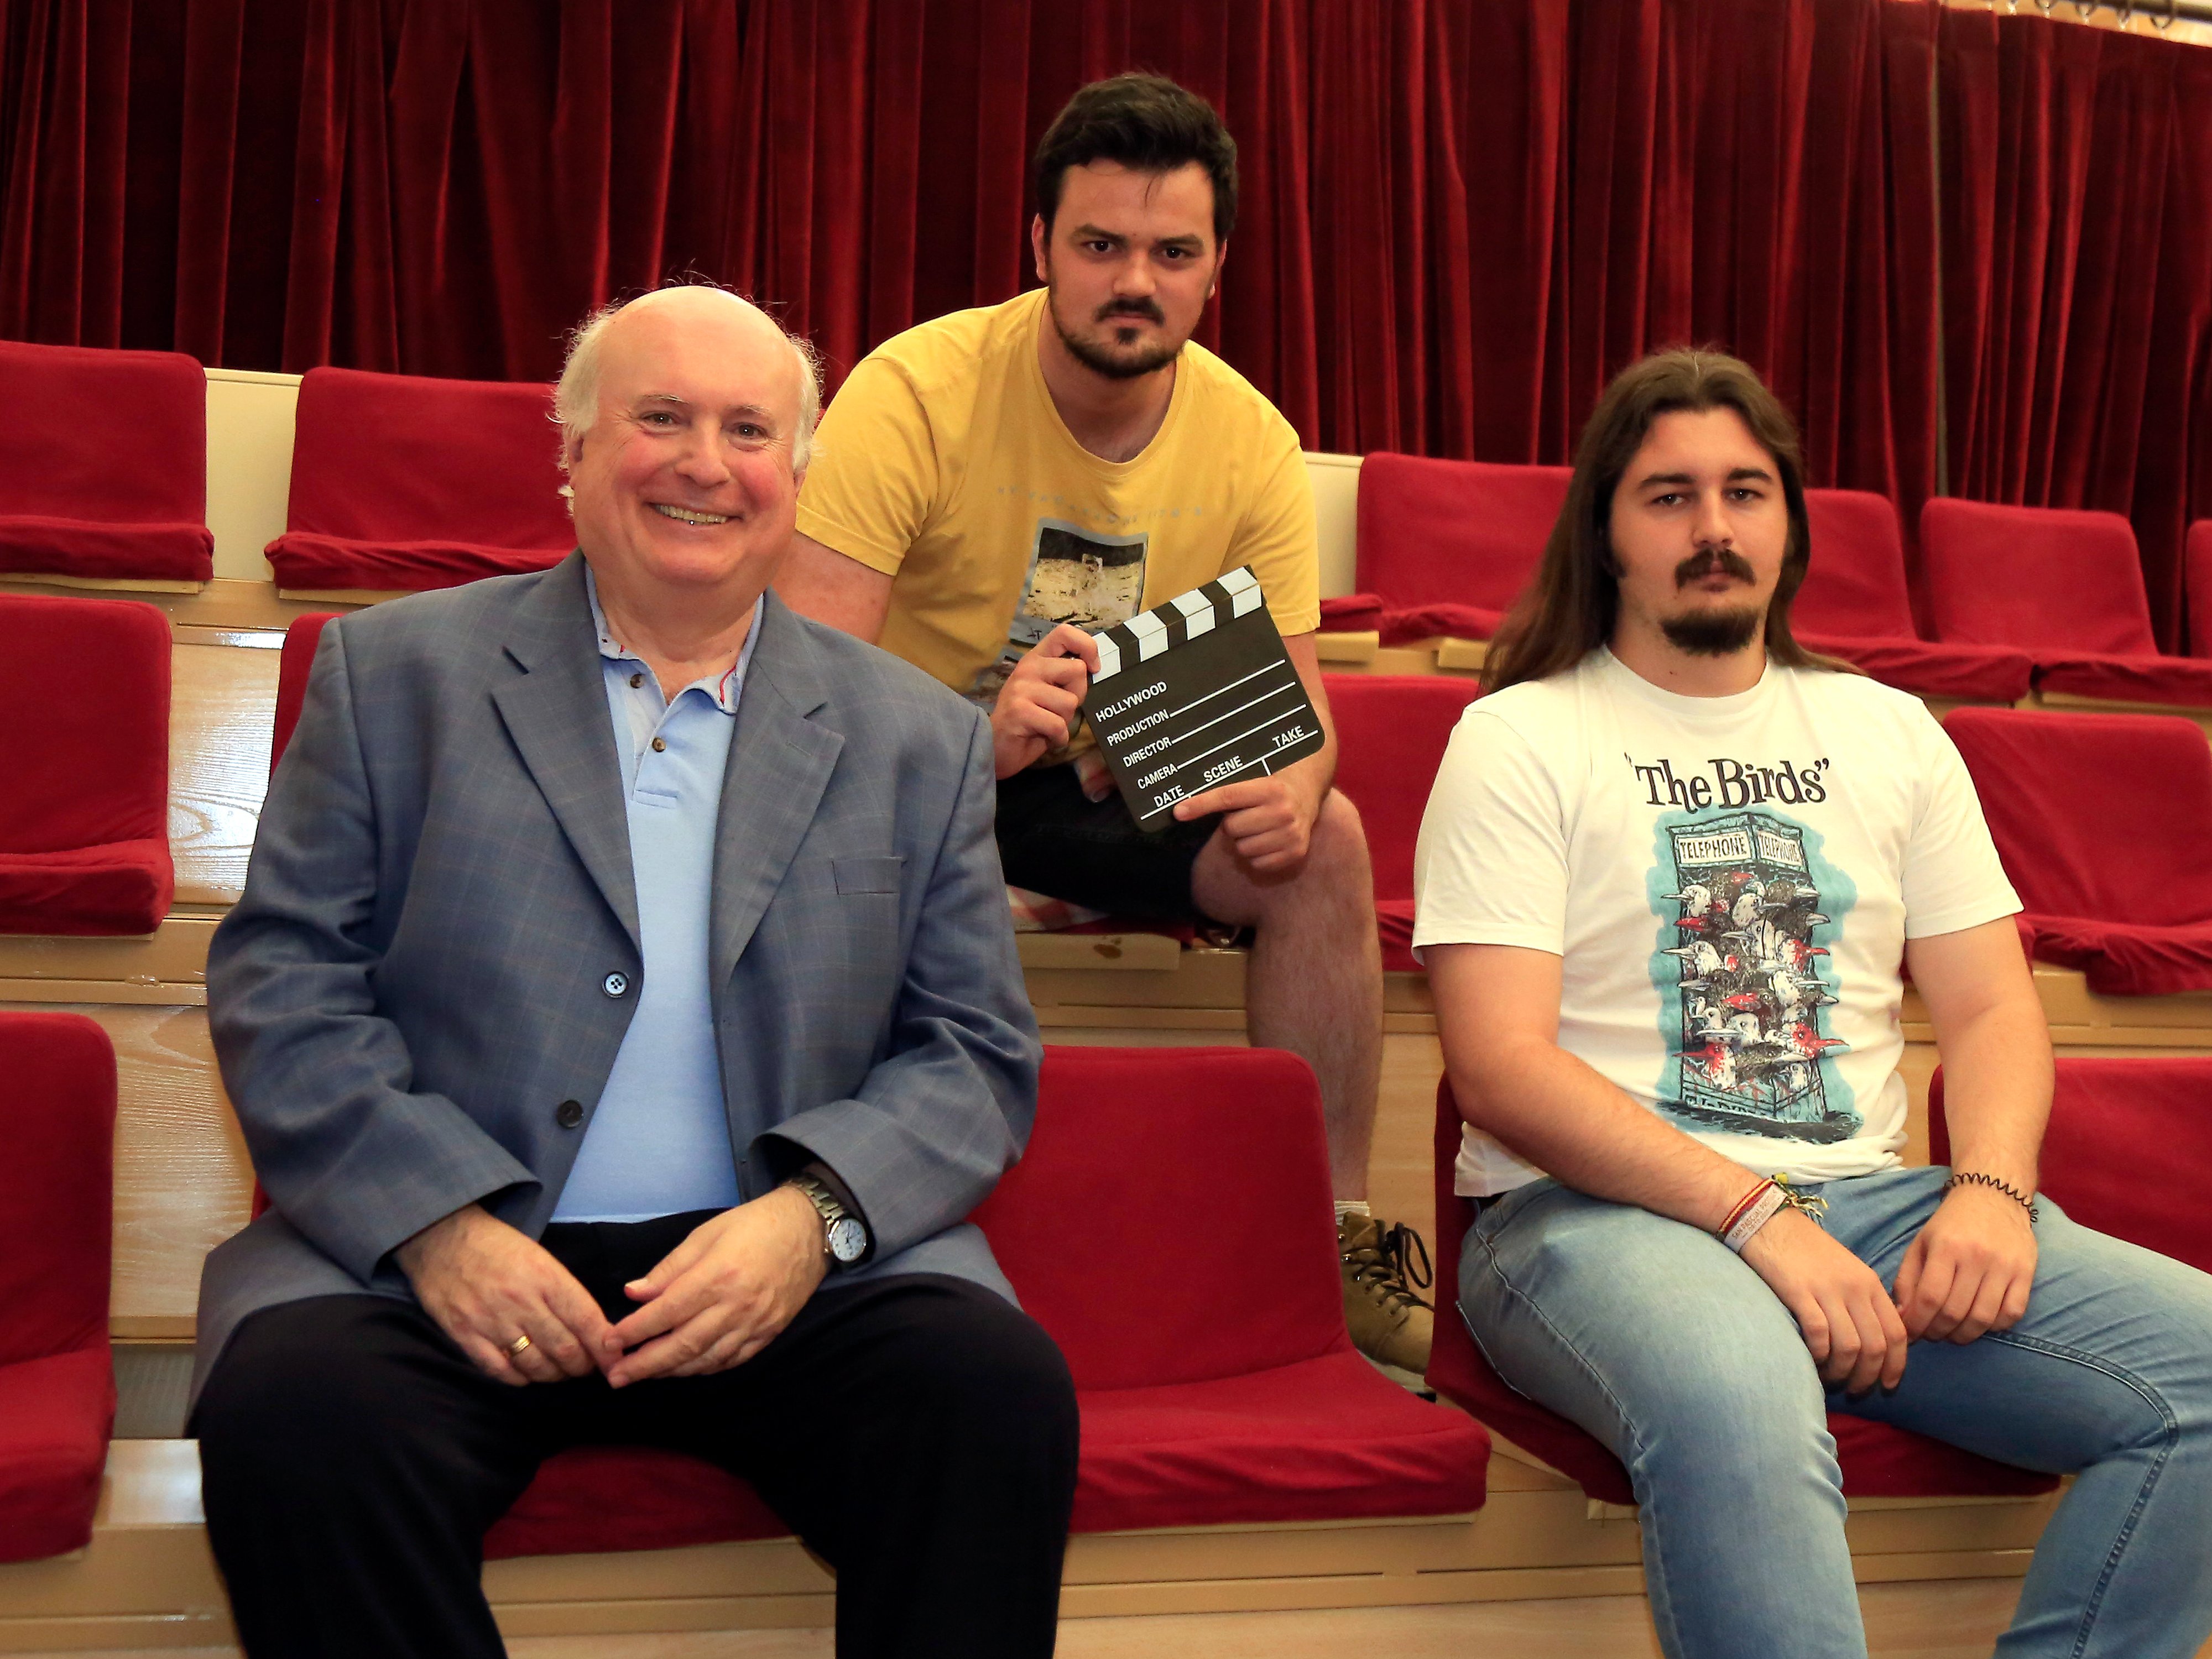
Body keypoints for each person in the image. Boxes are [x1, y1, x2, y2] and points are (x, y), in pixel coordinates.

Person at [189, 286, 1079, 1659]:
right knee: (296, 1421)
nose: (703, 464)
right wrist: (439, 1225)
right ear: (575, 453)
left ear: (794, 476)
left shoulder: (918, 738)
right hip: (456, 1264)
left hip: (786, 1267)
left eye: (746, 430)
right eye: (658, 418)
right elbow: (284, 987)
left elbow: (972, 1047)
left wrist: (812, 1220)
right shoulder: (392, 674)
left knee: (989, 1395)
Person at [1415, 347, 2212, 1658]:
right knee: (1738, 1391)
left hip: (1866, 1206)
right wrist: (1754, 1219)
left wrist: (1991, 1191)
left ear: (1788, 524)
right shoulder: (1519, 737)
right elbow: (1499, 1067)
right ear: (1604, 531)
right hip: (1587, 1220)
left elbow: (1994, 1010)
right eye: (1667, 496)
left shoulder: (1889, 732)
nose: (1712, 528)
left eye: (1743, 492)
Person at [778, 72, 1427, 1373]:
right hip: (901, 772)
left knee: (1328, 844)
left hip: (1100, 781)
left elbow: (1295, 710)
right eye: (1099, 246)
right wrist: (972, 742)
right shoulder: (914, 390)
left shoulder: (1251, 440)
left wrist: (1296, 783)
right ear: (1038, 250)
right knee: (827, 805)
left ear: (1214, 269)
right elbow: (804, 702)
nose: (1133, 280)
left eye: (1170, 253)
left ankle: (1332, 1236)